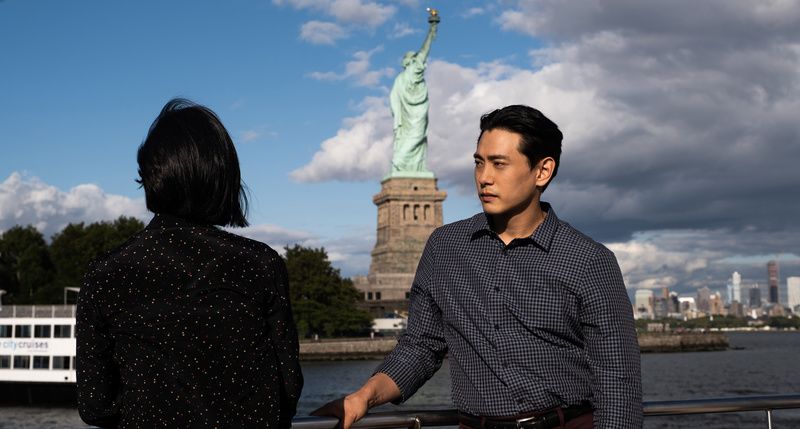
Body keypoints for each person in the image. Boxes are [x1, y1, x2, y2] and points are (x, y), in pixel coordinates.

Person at [313, 105, 642, 428]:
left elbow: (618, 382)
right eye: (479, 163)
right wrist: (365, 396)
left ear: (542, 171)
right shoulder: (445, 248)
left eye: (499, 164)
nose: (484, 178)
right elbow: (421, 346)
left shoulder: (589, 260)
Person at [77, 99, 303, 428]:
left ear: (150, 178)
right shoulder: (260, 265)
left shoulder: (106, 274)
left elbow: (95, 405)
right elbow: (288, 389)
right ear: (222, 177)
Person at [388, 11, 438, 175]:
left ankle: (407, 165)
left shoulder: (399, 79)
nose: (419, 61)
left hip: (413, 114)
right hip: (413, 115)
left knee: (416, 139)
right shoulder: (411, 72)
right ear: (410, 62)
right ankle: (400, 162)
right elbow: (425, 49)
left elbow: (393, 101)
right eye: (415, 58)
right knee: (416, 138)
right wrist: (432, 28)